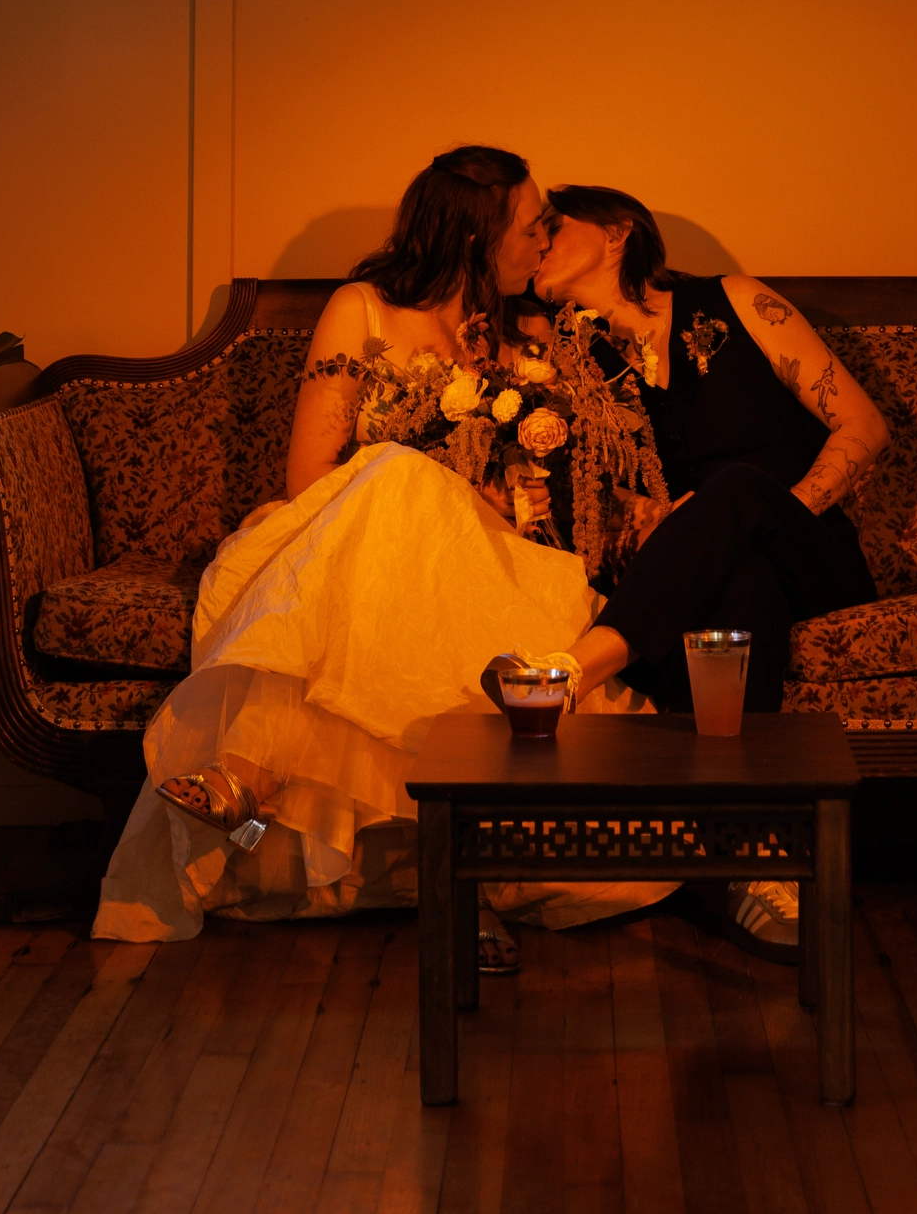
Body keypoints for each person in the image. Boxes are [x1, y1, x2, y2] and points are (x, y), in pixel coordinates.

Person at [93, 146, 671, 958]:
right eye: (531, 228)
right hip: (342, 536)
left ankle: (250, 774)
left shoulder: (529, 335)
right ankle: (455, 890)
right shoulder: (361, 309)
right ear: (479, 237)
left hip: (485, 557)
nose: (543, 243)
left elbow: (572, 475)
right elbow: (311, 477)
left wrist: (515, 497)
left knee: (413, 524)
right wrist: (433, 490)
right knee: (395, 490)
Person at [484, 184, 890, 954]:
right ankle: (758, 858)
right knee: (741, 589)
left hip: (814, 552)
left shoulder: (735, 302)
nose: (537, 245)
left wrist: (768, 509)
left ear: (616, 233)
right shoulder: (576, 362)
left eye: (554, 228)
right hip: (713, 582)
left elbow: (864, 426)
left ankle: (573, 669)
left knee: (737, 493)